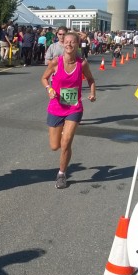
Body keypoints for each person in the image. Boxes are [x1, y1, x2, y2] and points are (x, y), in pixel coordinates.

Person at [40, 32, 97, 189]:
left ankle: (62, 174)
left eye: (73, 42)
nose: (69, 44)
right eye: (67, 42)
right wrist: (49, 89)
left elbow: (91, 79)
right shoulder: (55, 63)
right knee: (54, 146)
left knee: (66, 143)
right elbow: (44, 78)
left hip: (73, 107)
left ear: (78, 44)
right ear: (63, 43)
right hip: (56, 107)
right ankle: (65, 140)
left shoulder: (82, 64)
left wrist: (92, 93)